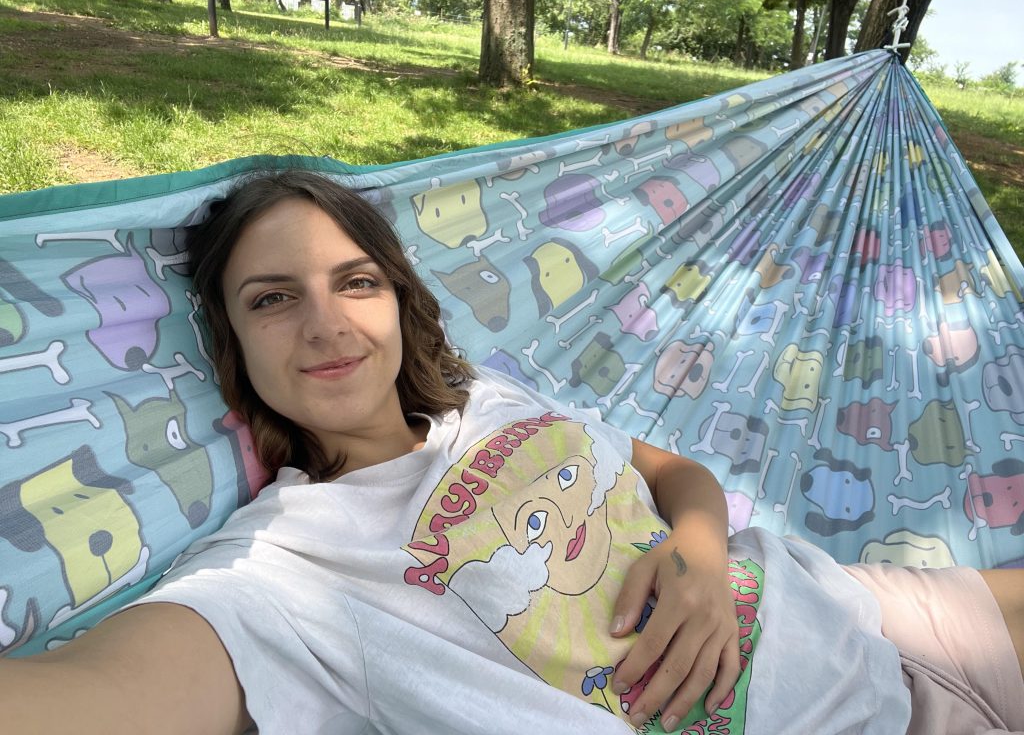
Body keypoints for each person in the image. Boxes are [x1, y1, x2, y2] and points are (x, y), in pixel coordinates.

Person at [1, 170, 1022, 735]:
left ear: (399, 303)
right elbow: (94, 704)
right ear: (231, 348)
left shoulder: (484, 395)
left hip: (865, 611)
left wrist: (704, 554)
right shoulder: (284, 570)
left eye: (355, 283)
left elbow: (670, 472)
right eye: (273, 300)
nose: (325, 324)